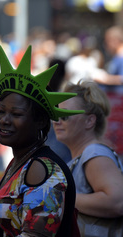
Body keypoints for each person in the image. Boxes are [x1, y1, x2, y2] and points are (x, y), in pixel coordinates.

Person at [0, 45, 83, 237]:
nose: (4, 120)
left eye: (16, 114)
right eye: (1, 111)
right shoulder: (22, 161)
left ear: (40, 121)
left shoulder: (42, 169)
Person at [54, 80, 123, 236]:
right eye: (56, 115)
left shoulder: (94, 152)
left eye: (65, 116)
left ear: (90, 121)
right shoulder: (86, 154)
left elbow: (118, 202)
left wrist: (60, 198)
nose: (56, 122)